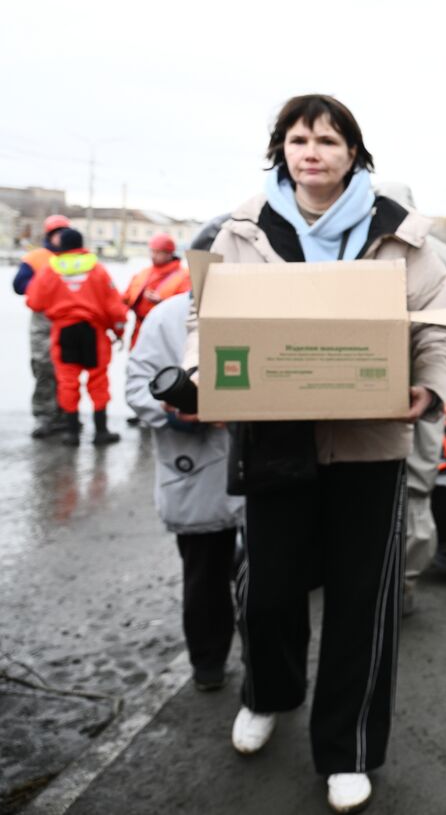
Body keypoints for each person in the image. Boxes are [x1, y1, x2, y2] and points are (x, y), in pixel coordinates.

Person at [183, 95, 446, 813]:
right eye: (300, 139)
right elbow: (203, 318)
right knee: (269, 591)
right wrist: (197, 373)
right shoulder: (239, 230)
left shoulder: (401, 237)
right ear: (281, 150)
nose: (313, 151)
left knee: (361, 604)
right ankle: (269, 693)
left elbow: (437, 330)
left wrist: (428, 389)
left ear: (353, 154)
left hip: (370, 444)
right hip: (274, 436)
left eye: (329, 140)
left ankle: (349, 750)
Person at [125, 216, 243, 691]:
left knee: (269, 584)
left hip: (262, 469)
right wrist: (179, 413)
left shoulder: (270, 317)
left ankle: (269, 676)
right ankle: (208, 664)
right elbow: (137, 387)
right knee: (205, 578)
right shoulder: (168, 317)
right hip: (197, 470)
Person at [377, 181, 446, 616]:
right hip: (428, 386)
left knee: (381, 489)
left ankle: (383, 585)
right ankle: (404, 585)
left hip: (382, 389)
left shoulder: (367, 248)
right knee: (417, 487)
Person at [25, 227, 127, 446]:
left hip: (63, 332)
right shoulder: (98, 270)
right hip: (93, 332)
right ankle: (101, 432)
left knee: (67, 382)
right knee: (98, 381)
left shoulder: (49, 271)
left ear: (60, 246)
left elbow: (34, 302)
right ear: (82, 244)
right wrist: (118, 331)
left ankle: (72, 433)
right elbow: (115, 308)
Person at [13, 214, 72, 438]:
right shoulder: (36, 258)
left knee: (68, 368)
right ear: (50, 236)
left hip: (69, 317)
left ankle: (67, 413)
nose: (61, 237)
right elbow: (19, 285)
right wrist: (45, 285)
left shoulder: (76, 258)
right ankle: (45, 415)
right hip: (44, 319)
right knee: (44, 366)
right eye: (57, 233)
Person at [123, 232, 191, 348]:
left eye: (158, 252)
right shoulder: (144, 273)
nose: (153, 255)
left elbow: (187, 307)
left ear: (169, 253)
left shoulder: (184, 276)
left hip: (164, 333)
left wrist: (162, 302)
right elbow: (125, 298)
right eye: (152, 251)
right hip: (139, 331)